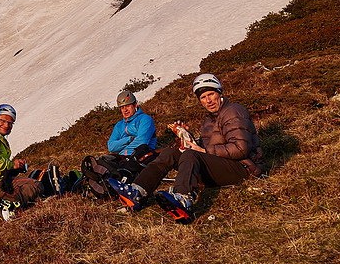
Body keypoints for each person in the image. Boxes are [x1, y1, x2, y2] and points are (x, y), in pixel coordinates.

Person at [113, 74, 263, 223]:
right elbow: (208, 147)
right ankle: (137, 191)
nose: (208, 100)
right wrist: (186, 136)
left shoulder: (233, 111)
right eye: (203, 97)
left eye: (211, 94)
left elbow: (240, 148)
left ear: (219, 92)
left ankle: (183, 198)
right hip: (221, 165)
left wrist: (203, 151)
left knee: (191, 155)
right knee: (170, 153)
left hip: (242, 168)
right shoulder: (210, 118)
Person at [0, 104, 41, 228]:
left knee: (30, 184)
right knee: (35, 186)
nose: (6, 125)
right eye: (3, 121)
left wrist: (15, 168)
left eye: (10, 123)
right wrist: (11, 164)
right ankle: (1, 207)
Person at [107, 90, 157, 157]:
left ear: (135, 105)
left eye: (127, 106)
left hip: (143, 157)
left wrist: (122, 153)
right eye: (122, 107)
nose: (125, 110)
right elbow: (111, 147)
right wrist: (130, 139)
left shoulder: (145, 119)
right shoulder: (119, 125)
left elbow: (142, 142)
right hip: (123, 159)